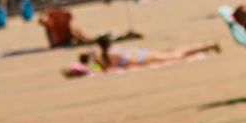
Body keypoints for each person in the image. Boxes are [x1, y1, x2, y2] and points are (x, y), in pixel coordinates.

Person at [61, 38, 220, 76]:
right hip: (143, 53)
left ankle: (208, 45)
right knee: (175, 52)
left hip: (145, 59)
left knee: (176, 55)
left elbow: (107, 69)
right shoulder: (107, 53)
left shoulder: (105, 59)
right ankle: (207, 45)